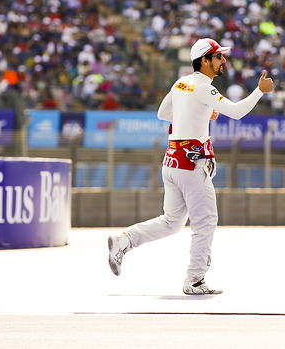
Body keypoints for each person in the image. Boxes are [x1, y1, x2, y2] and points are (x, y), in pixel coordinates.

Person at [107, 38, 274, 295]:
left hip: (172, 161)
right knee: (206, 221)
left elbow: (163, 114)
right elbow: (238, 112)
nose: (223, 60)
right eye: (218, 56)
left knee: (172, 222)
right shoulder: (204, 88)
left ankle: (125, 240)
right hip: (192, 164)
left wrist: (201, 112)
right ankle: (195, 280)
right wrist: (260, 90)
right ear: (204, 61)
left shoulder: (181, 82)